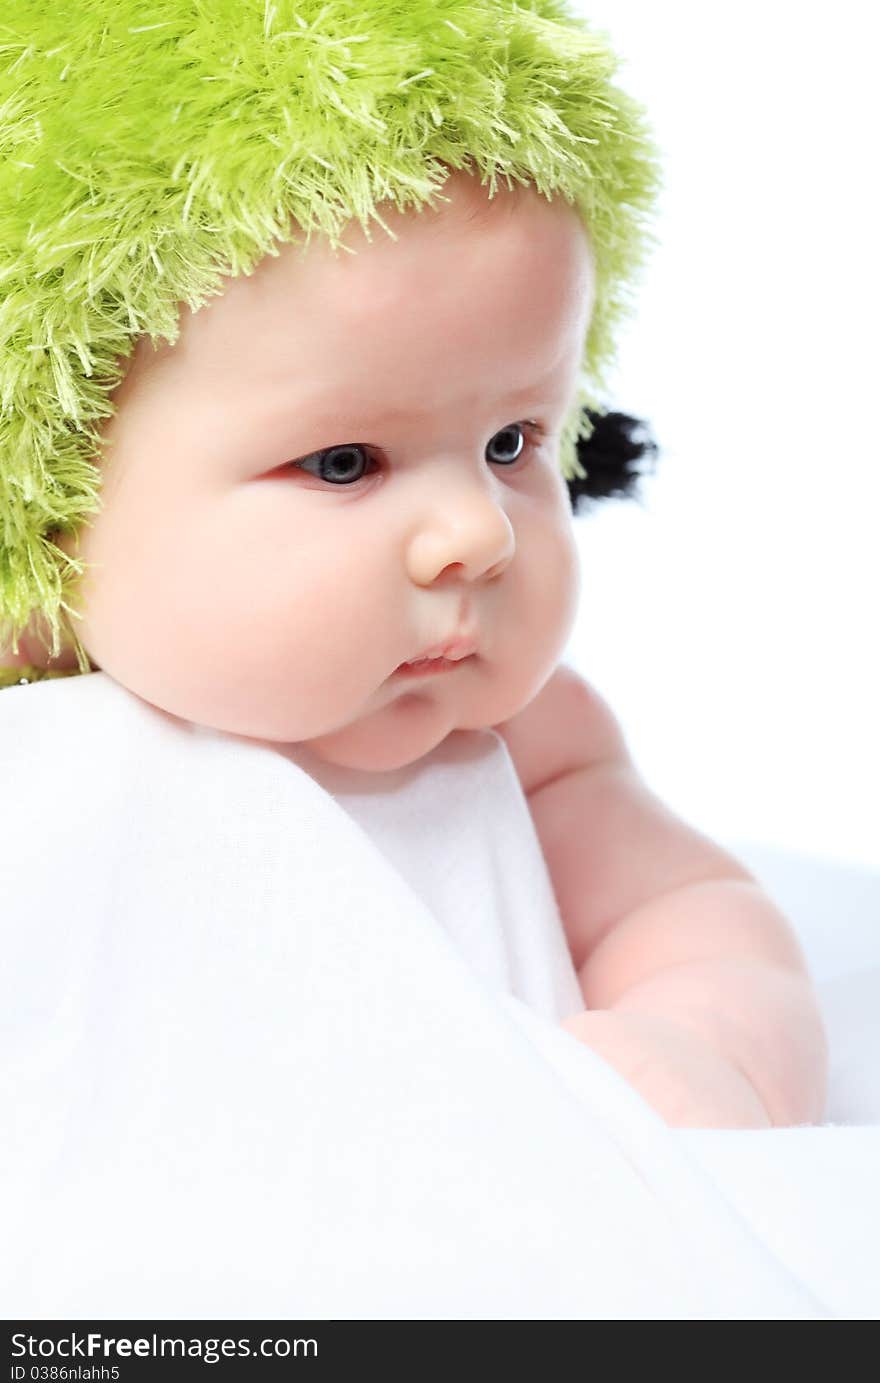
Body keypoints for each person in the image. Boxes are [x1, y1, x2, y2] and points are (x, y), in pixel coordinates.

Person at [0, 0, 827, 1130]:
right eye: (345, 461)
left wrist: (703, 1045)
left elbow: (690, 908)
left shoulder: (529, 747)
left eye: (510, 444)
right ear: (55, 499)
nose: (480, 532)